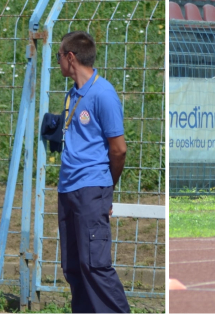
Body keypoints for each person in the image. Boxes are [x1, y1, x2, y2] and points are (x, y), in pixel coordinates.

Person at [55, 31, 130, 313]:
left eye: (59, 56)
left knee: (95, 266)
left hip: (91, 188)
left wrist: (105, 189)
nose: (58, 61)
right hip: (68, 188)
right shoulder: (72, 93)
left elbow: (119, 149)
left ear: (70, 57)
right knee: (73, 267)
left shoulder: (103, 93)